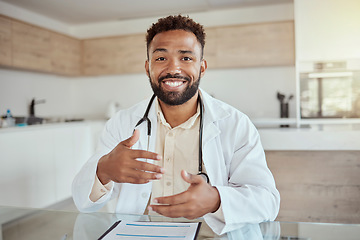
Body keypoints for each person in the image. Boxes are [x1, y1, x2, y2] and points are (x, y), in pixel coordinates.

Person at [72, 15, 280, 235]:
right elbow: (83, 202)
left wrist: (216, 200)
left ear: (202, 67)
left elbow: (267, 201)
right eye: (161, 58)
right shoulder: (123, 124)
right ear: (147, 67)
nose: (173, 68)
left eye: (186, 58)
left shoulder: (235, 124)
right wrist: (103, 170)